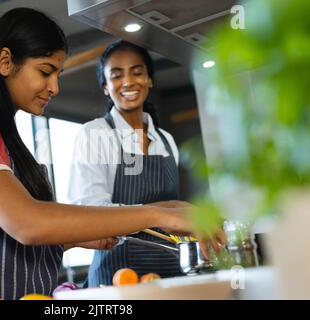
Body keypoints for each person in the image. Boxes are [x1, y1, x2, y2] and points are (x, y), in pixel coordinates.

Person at [0, 8, 223, 300]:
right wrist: (158, 215)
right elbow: (28, 223)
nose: (54, 87)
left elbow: (17, 240)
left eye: (58, 74)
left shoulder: (8, 142)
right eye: (45, 71)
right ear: (5, 61)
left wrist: (74, 239)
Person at [67, 40, 207, 287]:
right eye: (117, 75)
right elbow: (88, 213)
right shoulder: (96, 134)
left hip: (171, 271)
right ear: (105, 86)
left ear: (150, 79)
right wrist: (164, 210)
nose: (129, 81)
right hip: (117, 274)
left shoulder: (166, 140)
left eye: (137, 72)